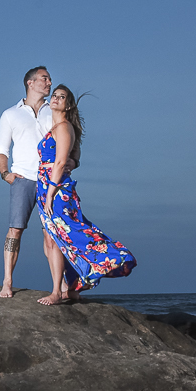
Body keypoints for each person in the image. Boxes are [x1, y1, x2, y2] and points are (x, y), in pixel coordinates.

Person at [36, 85, 136, 305]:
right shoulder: (55, 127)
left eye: (61, 97)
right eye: (54, 95)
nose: (55, 98)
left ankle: (56, 291)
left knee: (63, 237)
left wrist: (51, 193)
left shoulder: (63, 127)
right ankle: (70, 287)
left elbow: (61, 162)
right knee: (54, 239)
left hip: (57, 190)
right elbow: (71, 158)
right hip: (46, 188)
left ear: (68, 104)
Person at [0, 67, 77, 298]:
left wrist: (74, 160)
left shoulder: (54, 111)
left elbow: (73, 137)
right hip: (23, 178)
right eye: (44, 78)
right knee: (14, 230)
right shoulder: (10, 114)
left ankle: (60, 286)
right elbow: (1, 149)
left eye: (50, 79)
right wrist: (5, 173)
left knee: (52, 233)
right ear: (30, 83)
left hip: (51, 180)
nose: (50, 82)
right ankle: (7, 282)